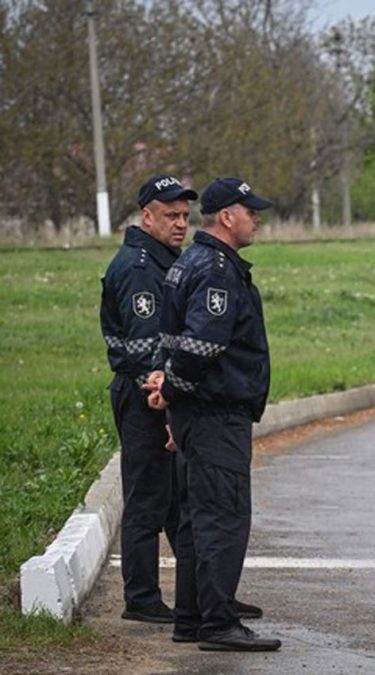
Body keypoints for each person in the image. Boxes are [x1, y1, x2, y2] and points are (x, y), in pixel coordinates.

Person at [145, 177, 279, 652]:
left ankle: (192, 617)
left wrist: (172, 397)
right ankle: (218, 623)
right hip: (216, 413)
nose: (257, 218)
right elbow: (200, 347)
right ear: (227, 216)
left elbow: (173, 344)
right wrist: (176, 394)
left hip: (198, 415)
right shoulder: (217, 271)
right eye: (251, 211)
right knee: (223, 516)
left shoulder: (192, 263)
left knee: (197, 518)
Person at [100, 174, 195, 623]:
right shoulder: (140, 267)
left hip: (158, 390)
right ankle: (141, 598)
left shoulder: (160, 260)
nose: (181, 224)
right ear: (147, 216)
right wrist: (162, 393)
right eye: (171, 215)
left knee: (176, 498)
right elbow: (144, 349)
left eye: (185, 216)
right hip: (144, 395)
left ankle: (200, 593)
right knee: (146, 499)